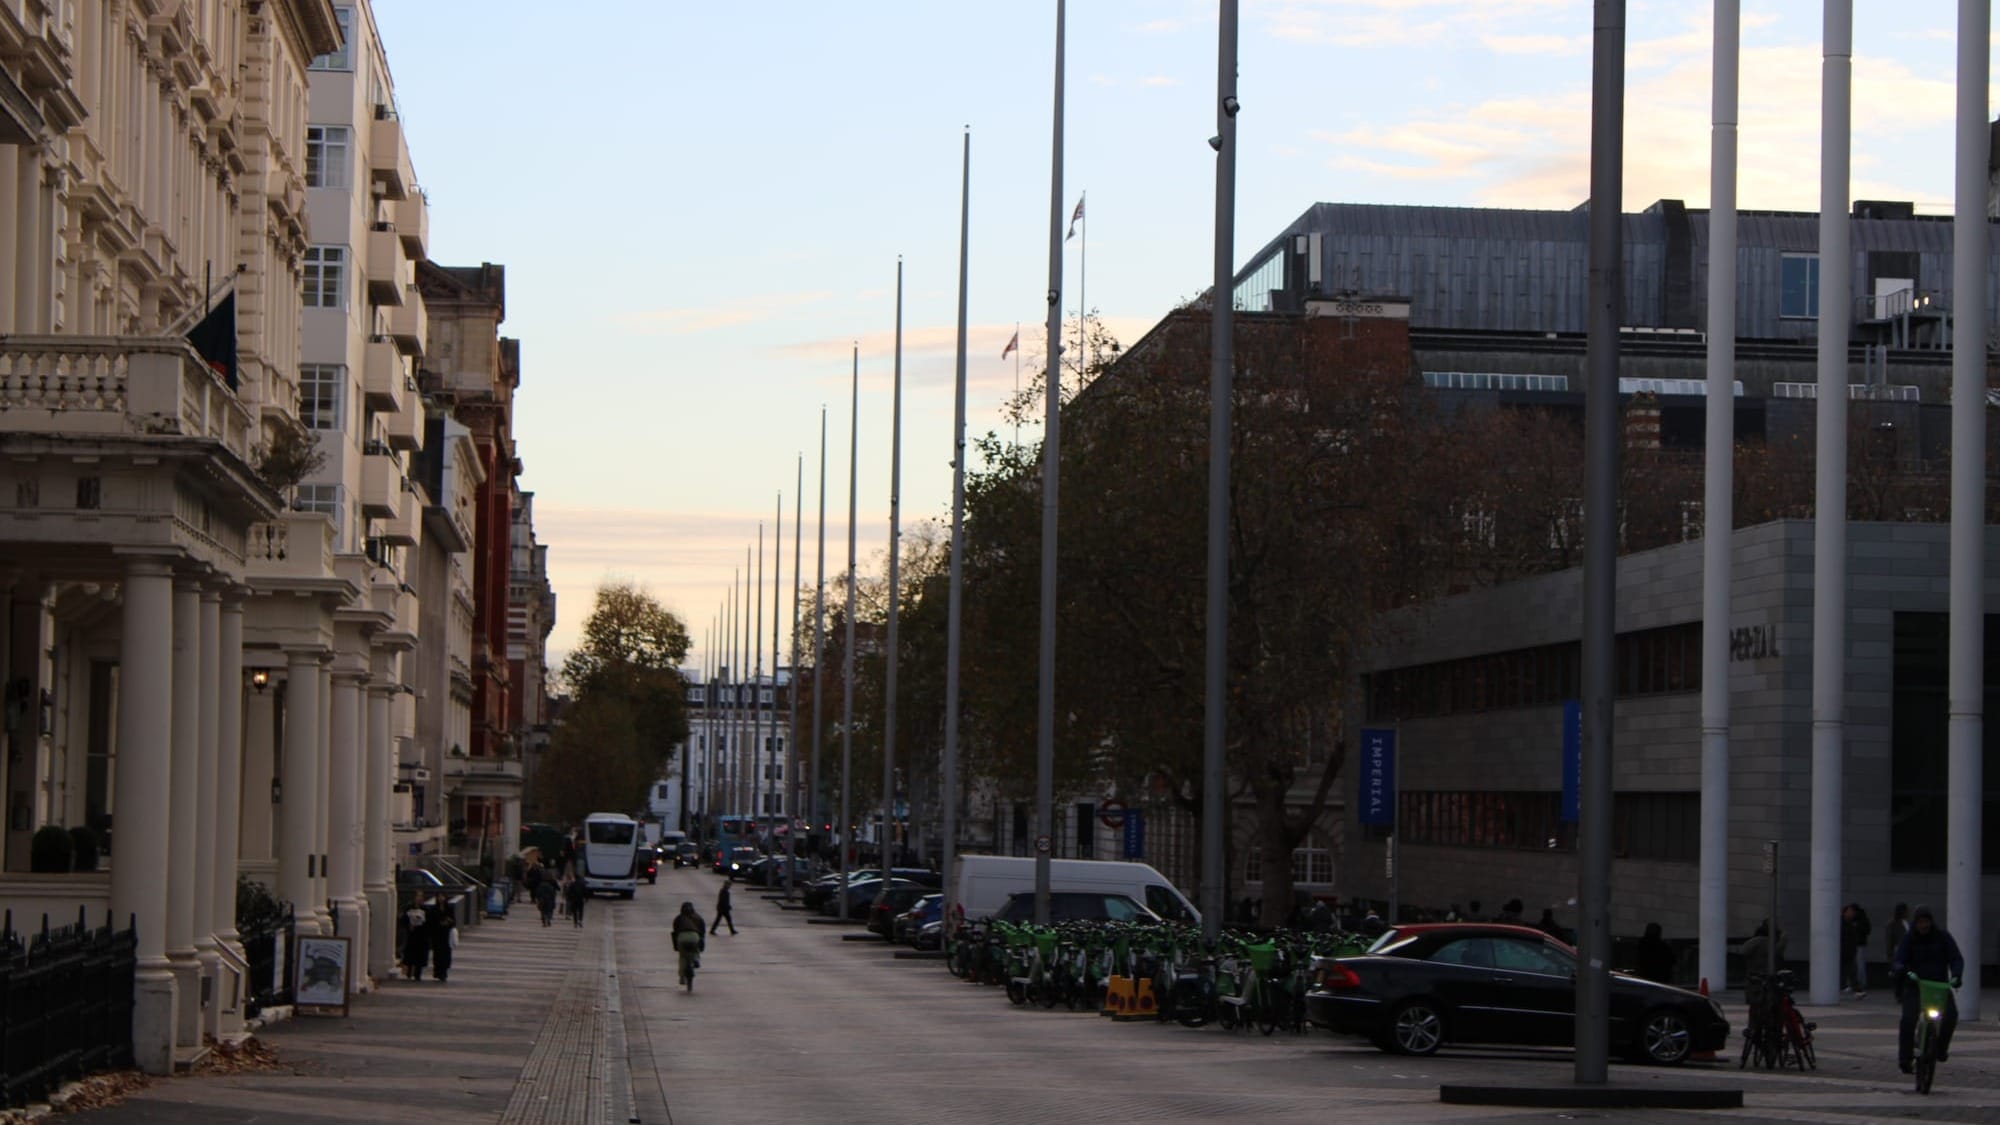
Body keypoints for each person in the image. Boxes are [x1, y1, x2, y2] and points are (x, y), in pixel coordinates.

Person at [1892, 904, 1964, 1074]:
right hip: (1915, 987)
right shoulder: (1909, 939)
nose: (1924, 926)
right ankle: (1905, 1058)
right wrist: (1904, 971)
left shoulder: (1942, 937)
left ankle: (1940, 1049)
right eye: (1920, 922)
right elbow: (1899, 960)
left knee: (1950, 1017)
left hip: (1939, 987)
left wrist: (1956, 976)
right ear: (1916, 923)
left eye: (1927, 922)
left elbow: (1956, 958)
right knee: (1908, 1021)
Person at [1840, 902, 1870, 998]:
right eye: (1849, 912)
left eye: (1852, 912)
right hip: (1844, 951)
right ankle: (1854, 988)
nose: (1851, 914)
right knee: (1848, 971)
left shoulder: (1851, 924)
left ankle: (1857, 989)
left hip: (1850, 951)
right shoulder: (1842, 924)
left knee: (1853, 971)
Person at [425, 892, 457, 982]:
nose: (441, 898)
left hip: (446, 935)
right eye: (439, 897)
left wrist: (448, 922)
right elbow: (431, 922)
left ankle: (444, 971)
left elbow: (454, 921)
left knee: (446, 954)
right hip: (437, 934)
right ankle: (437, 971)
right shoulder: (434, 909)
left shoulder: (449, 909)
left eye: (442, 896)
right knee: (438, 954)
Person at [672, 901, 707, 977]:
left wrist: (676, 946)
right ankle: (696, 958)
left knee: (682, 957)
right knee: (696, 949)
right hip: (694, 936)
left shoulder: (678, 918)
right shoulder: (698, 917)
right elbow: (702, 932)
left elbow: (675, 932)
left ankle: (682, 977)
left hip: (682, 936)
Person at [400, 900, 430, 981]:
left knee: (419, 955)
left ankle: (417, 974)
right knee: (410, 954)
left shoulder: (425, 909)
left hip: (421, 935)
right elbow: (403, 920)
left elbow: (428, 922)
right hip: (411, 935)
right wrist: (409, 925)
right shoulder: (409, 908)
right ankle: (409, 972)